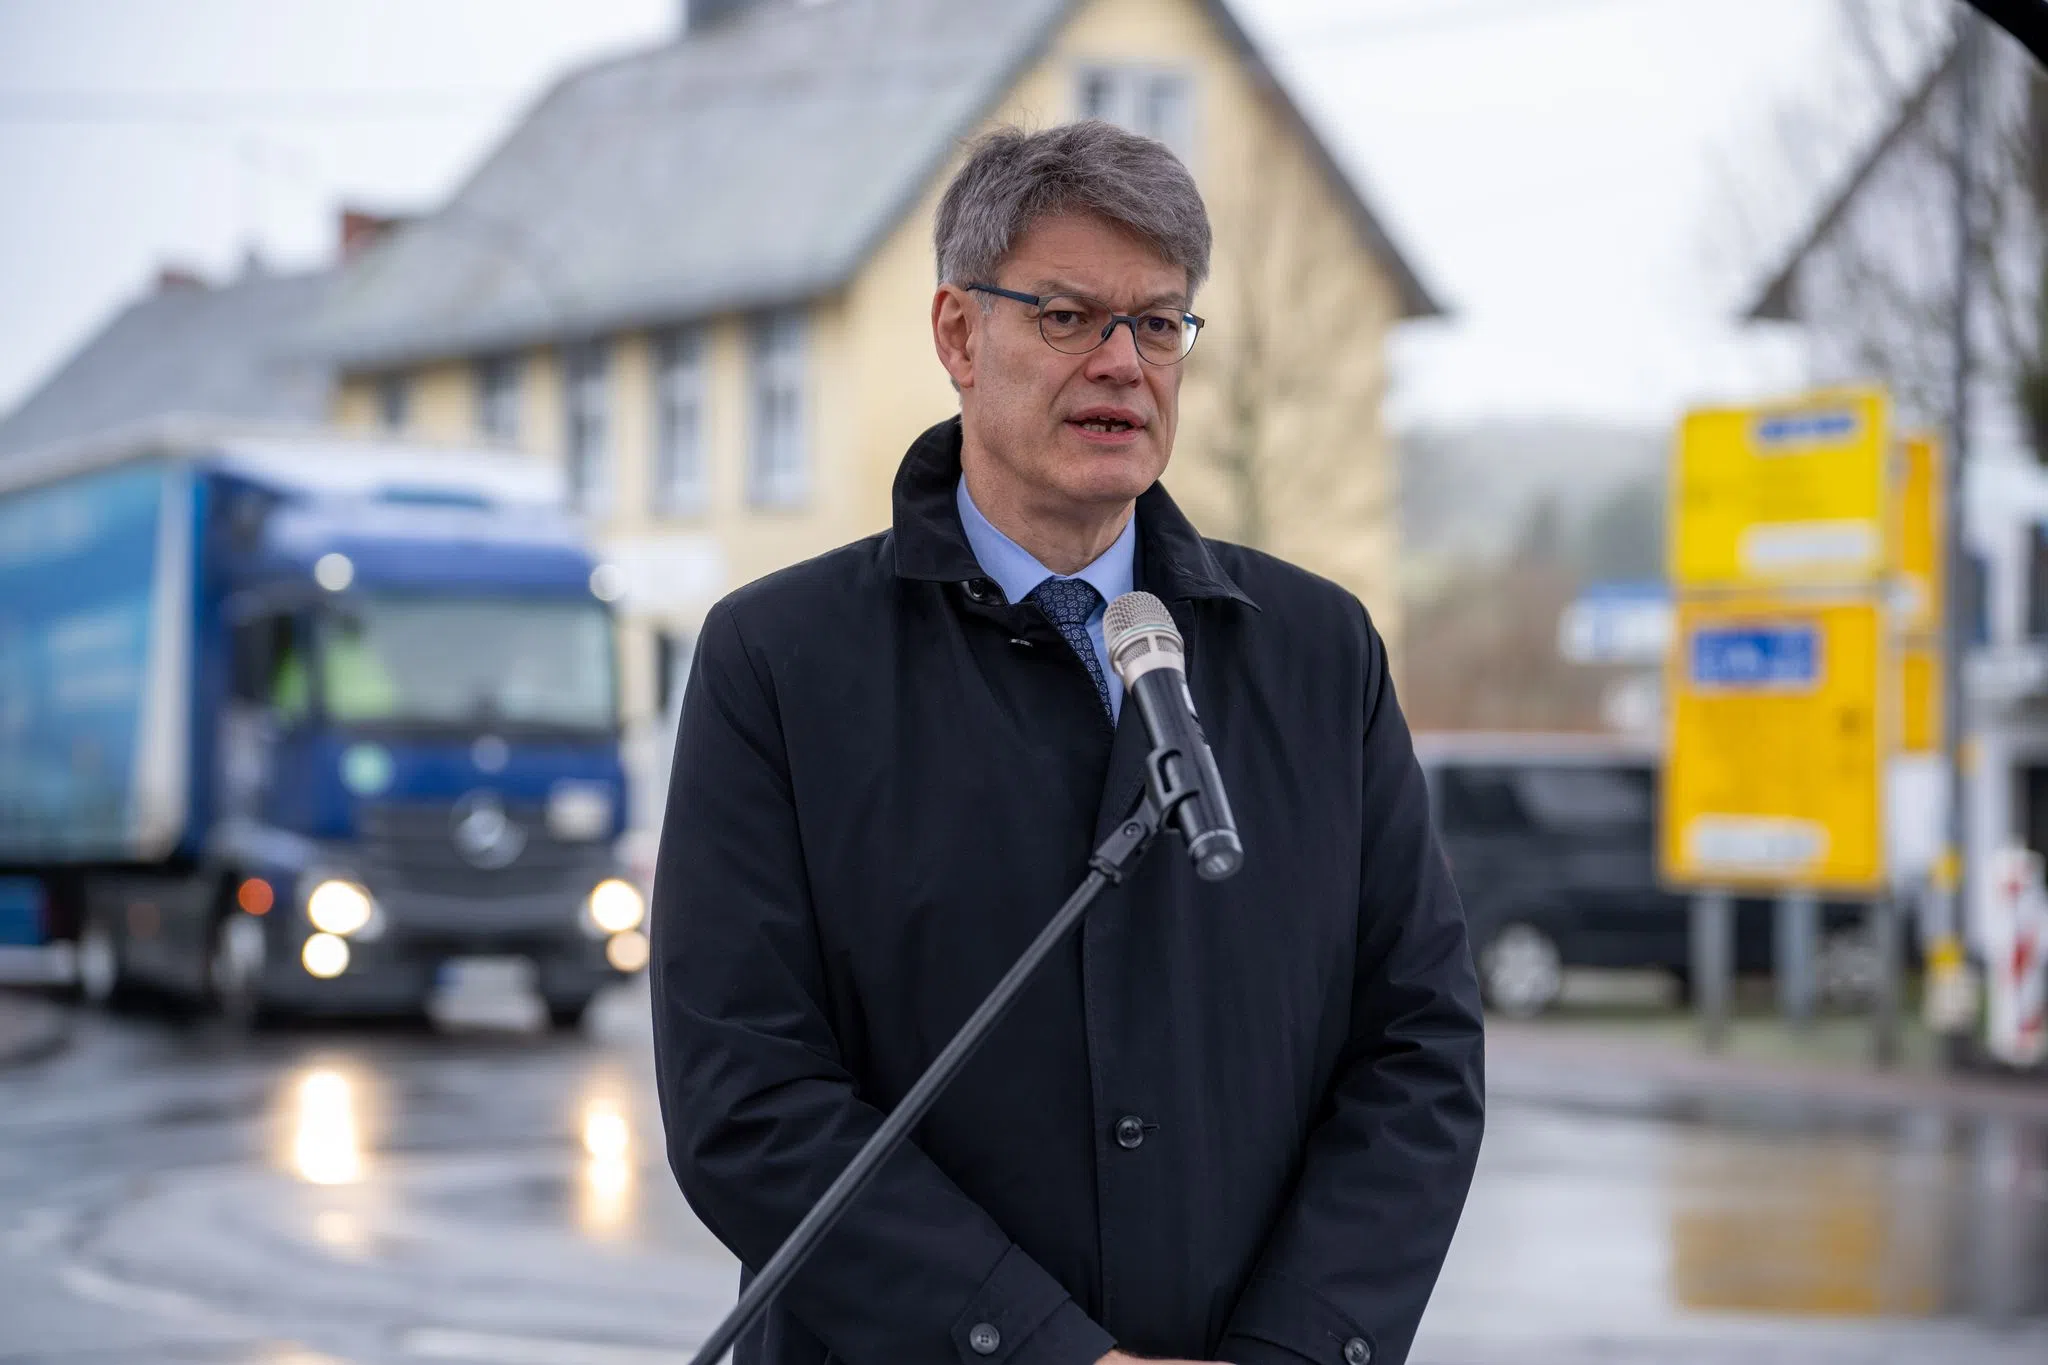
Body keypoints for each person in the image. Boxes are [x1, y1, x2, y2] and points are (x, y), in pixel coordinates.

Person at [651, 121, 1484, 1365]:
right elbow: (748, 1097)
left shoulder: (1319, 655)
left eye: (1158, 323)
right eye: (1064, 316)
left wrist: (1298, 1349)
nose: (1121, 363)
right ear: (955, 335)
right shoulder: (777, 663)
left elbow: (1416, 1050)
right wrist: (1040, 1350)